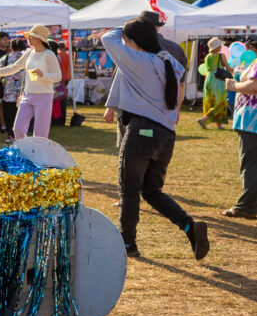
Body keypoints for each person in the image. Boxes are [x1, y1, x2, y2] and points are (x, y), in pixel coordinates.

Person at [101, 19, 208, 260]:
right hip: (166, 135)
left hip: (142, 131)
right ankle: (189, 226)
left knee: (129, 190)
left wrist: (125, 25)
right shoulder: (167, 61)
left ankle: (128, 243)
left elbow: (107, 38)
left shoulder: (138, 60)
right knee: (151, 190)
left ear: (134, 41)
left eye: (128, 40)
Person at [0, 25, 63, 140]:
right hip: (27, 95)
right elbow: (14, 67)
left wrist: (43, 75)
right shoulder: (28, 53)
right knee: (18, 129)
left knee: (40, 134)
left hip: (44, 97)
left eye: (31, 36)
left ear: (39, 39)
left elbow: (58, 76)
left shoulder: (49, 55)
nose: (28, 38)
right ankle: (25, 151)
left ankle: (38, 156)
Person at [221, 48, 257, 220]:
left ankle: (246, 207)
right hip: (250, 121)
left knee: (250, 164)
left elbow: (254, 85)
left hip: (252, 121)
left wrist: (234, 86)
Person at [197, 37, 231, 130]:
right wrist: (235, 70)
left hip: (208, 80)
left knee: (211, 101)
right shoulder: (221, 55)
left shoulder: (207, 56)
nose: (221, 46)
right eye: (219, 45)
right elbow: (228, 68)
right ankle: (204, 119)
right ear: (216, 46)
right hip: (218, 79)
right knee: (220, 102)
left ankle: (219, 125)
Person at [1, 37, 28, 138]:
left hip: (8, 91)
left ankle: (10, 135)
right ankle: (22, 134)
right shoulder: (26, 57)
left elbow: (0, 72)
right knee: (21, 114)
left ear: (11, 47)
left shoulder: (6, 58)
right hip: (23, 90)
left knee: (9, 115)